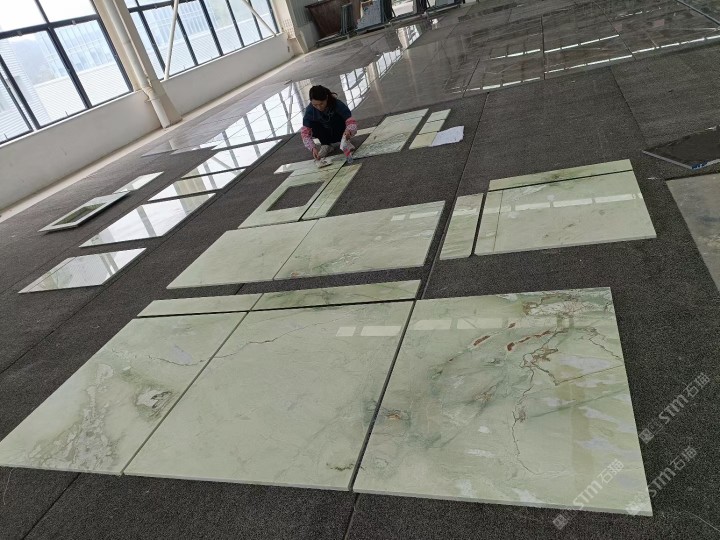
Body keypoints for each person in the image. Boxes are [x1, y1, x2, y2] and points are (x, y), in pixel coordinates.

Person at [301, 85, 357, 163]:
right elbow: (305, 133)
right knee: (313, 124)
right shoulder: (310, 110)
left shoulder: (336, 104)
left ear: (326, 98)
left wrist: (349, 131)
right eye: (315, 105)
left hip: (340, 132)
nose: (319, 107)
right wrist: (313, 148)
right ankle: (326, 145)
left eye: (321, 104)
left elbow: (350, 121)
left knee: (338, 118)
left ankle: (345, 142)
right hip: (325, 134)